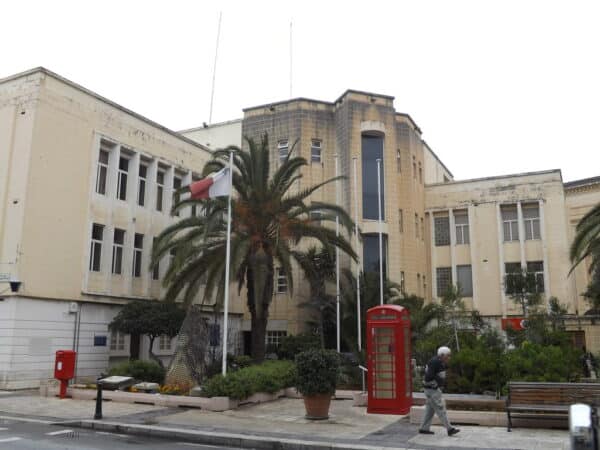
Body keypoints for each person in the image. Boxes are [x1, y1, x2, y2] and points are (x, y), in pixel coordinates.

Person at [418, 346, 460, 436]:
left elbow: (431, 373)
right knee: (441, 409)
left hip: (430, 389)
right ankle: (449, 429)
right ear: (442, 355)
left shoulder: (438, 361)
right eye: (448, 355)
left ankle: (424, 428)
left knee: (430, 410)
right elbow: (429, 376)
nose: (449, 358)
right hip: (432, 389)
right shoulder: (435, 362)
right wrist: (438, 382)